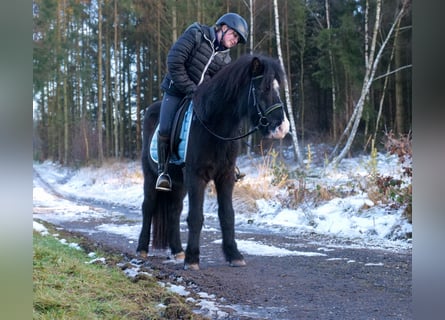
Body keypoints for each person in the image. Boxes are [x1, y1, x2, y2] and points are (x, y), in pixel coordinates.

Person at [155, 12, 249, 191]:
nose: (236, 40)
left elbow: (221, 90)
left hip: (199, 96)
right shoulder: (196, 35)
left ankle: (228, 165)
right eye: (234, 35)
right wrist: (192, 90)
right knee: (166, 127)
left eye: (238, 39)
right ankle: (163, 172)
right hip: (176, 91)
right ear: (223, 27)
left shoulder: (226, 60)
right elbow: (174, 62)